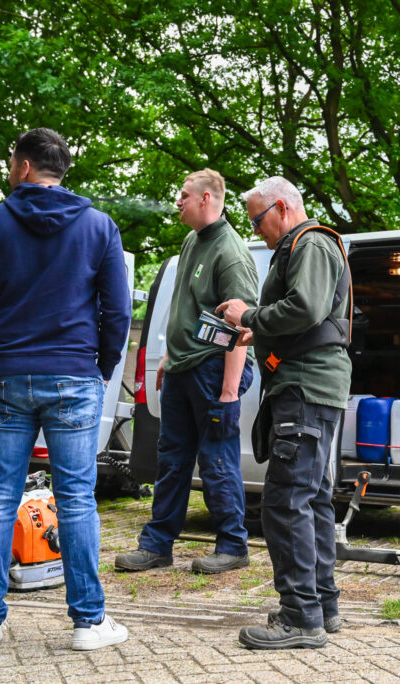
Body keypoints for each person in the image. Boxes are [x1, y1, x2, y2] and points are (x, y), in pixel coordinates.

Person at [0, 128, 131, 652]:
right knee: (76, 498)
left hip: (8, 373)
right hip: (73, 374)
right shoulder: (100, 228)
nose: (10, 168)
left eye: (12, 161)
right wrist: (100, 364)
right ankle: (88, 623)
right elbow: (117, 311)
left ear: (25, 167)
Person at [216, 176, 352, 650]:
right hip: (314, 388)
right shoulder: (311, 245)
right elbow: (306, 316)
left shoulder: (310, 243)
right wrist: (266, 333)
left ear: (281, 208)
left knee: (285, 502)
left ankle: (300, 618)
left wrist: (249, 317)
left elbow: (307, 307)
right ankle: (322, 606)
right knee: (312, 498)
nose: (257, 231)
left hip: (305, 388)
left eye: (258, 220)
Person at [115, 169, 258, 575]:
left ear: (208, 199)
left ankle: (233, 547)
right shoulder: (192, 241)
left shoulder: (231, 252)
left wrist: (229, 390)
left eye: (184, 195)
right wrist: (169, 357)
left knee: (216, 460)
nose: (177, 201)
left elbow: (240, 327)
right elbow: (187, 308)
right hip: (181, 369)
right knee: (172, 460)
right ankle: (157, 545)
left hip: (214, 372)